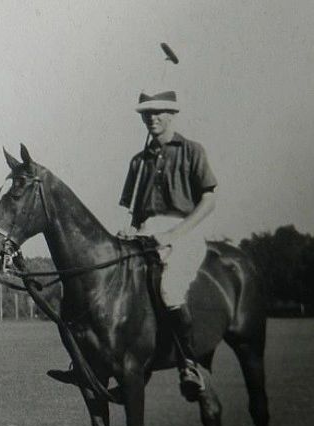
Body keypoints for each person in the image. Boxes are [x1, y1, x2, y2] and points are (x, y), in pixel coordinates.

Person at [50, 90, 217, 398]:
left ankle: (189, 363)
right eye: (146, 114)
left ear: (172, 115)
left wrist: (176, 233)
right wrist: (128, 228)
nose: (151, 118)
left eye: (157, 113)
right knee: (112, 283)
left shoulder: (192, 151)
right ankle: (94, 359)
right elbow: (129, 208)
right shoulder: (139, 161)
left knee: (170, 288)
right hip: (145, 233)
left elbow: (209, 200)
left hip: (183, 231)